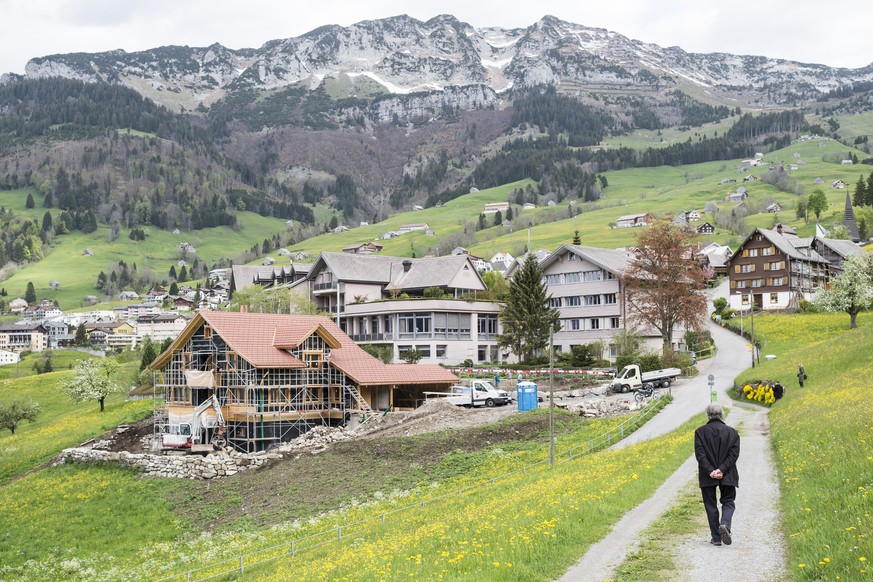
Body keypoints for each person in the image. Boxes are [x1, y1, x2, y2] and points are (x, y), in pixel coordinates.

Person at [694, 403, 740, 546]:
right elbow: (734, 455)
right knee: (728, 502)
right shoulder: (732, 432)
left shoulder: (700, 432)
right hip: (728, 474)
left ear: (707, 415)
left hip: (707, 475)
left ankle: (716, 538)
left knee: (710, 504)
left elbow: (700, 455)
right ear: (722, 414)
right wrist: (722, 469)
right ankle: (725, 524)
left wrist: (711, 471)